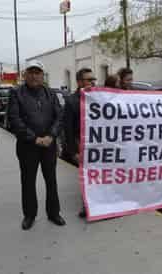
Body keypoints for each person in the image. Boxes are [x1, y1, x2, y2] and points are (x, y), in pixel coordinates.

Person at [8, 61, 66, 230]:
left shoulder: (50, 93)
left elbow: (59, 117)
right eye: (31, 72)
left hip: (49, 145)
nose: (34, 75)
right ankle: (29, 215)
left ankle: (54, 213)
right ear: (25, 75)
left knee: (51, 180)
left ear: (42, 75)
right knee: (27, 181)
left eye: (37, 72)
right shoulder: (16, 93)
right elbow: (14, 120)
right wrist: (34, 138)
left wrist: (51, 136)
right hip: (27, 146)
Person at [63, 68, 96, 218]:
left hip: (97, 144)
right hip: (81, 143)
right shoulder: (71, 101)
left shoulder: (98, 97)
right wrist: (74, 152)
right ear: (79, 82)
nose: (92, 82)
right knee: (87, 176)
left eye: (93, 79)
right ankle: (87, 206)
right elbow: (67, 129)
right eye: (89, 79)